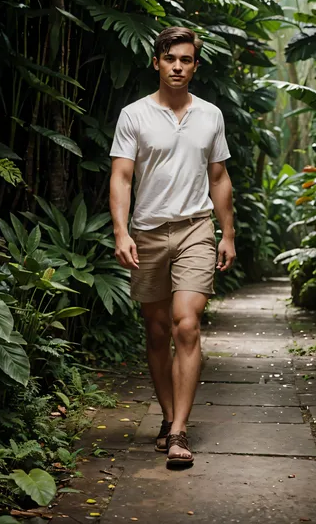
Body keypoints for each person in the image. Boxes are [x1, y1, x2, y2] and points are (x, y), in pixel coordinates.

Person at [109, 26, 236, 468]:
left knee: (186, 324)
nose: (178, 66)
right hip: (147, 232)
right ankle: (166, 418)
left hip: (195, 229)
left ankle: (180, 431)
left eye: (186, 60)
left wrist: (228, 234)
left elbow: (218, 178)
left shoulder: (210, 115)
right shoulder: (134, 115)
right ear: (157, 62)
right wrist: (121, 231)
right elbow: (122, 176)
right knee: (158, 329)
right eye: (170, 59)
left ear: (195, 66)